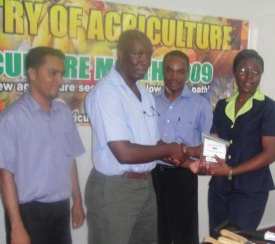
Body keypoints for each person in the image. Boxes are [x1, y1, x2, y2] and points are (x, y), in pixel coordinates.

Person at [84, 30, 188, 244]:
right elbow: (124, 152)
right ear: (121, 55)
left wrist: (178, 157)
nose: (145, 61)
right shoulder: (107, 92)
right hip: (115, 189)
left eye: (148, 55)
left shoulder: (144, 93)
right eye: (138, 54)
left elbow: (154, 143)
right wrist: (170, 149)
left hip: (146, 186)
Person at [0, 46, 86, 244]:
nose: (60, 80)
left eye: (61, 74)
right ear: (32, 74)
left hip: (60, 210)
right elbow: (5, 175)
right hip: (28, 214)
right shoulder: (11, 119)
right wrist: (16, 227)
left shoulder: (64, 113)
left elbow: (70, 160)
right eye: (53, 73)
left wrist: (77, 200)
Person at [207, 49, 275, 234]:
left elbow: (270, 154)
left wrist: (231, 170)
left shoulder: (268, 108)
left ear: (261, 74)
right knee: (217, 237)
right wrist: (188, 154)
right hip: (220, 187)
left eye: (255, 71)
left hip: (250, 190)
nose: (249, 76)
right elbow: (215, 142)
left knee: (235, 239)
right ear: (235, 72)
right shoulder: (222, 105)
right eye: (243, 69)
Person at [151, 50, 213, 244]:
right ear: (162, 71)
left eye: (180, 71)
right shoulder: (150, 101)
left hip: (184, 177)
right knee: (156, 232)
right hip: (153, 175)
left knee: (184, 236)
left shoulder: (200, 105)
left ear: (187, 73)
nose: (174, 76)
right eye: (169, 70)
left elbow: (210, 147)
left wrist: (188, 152)